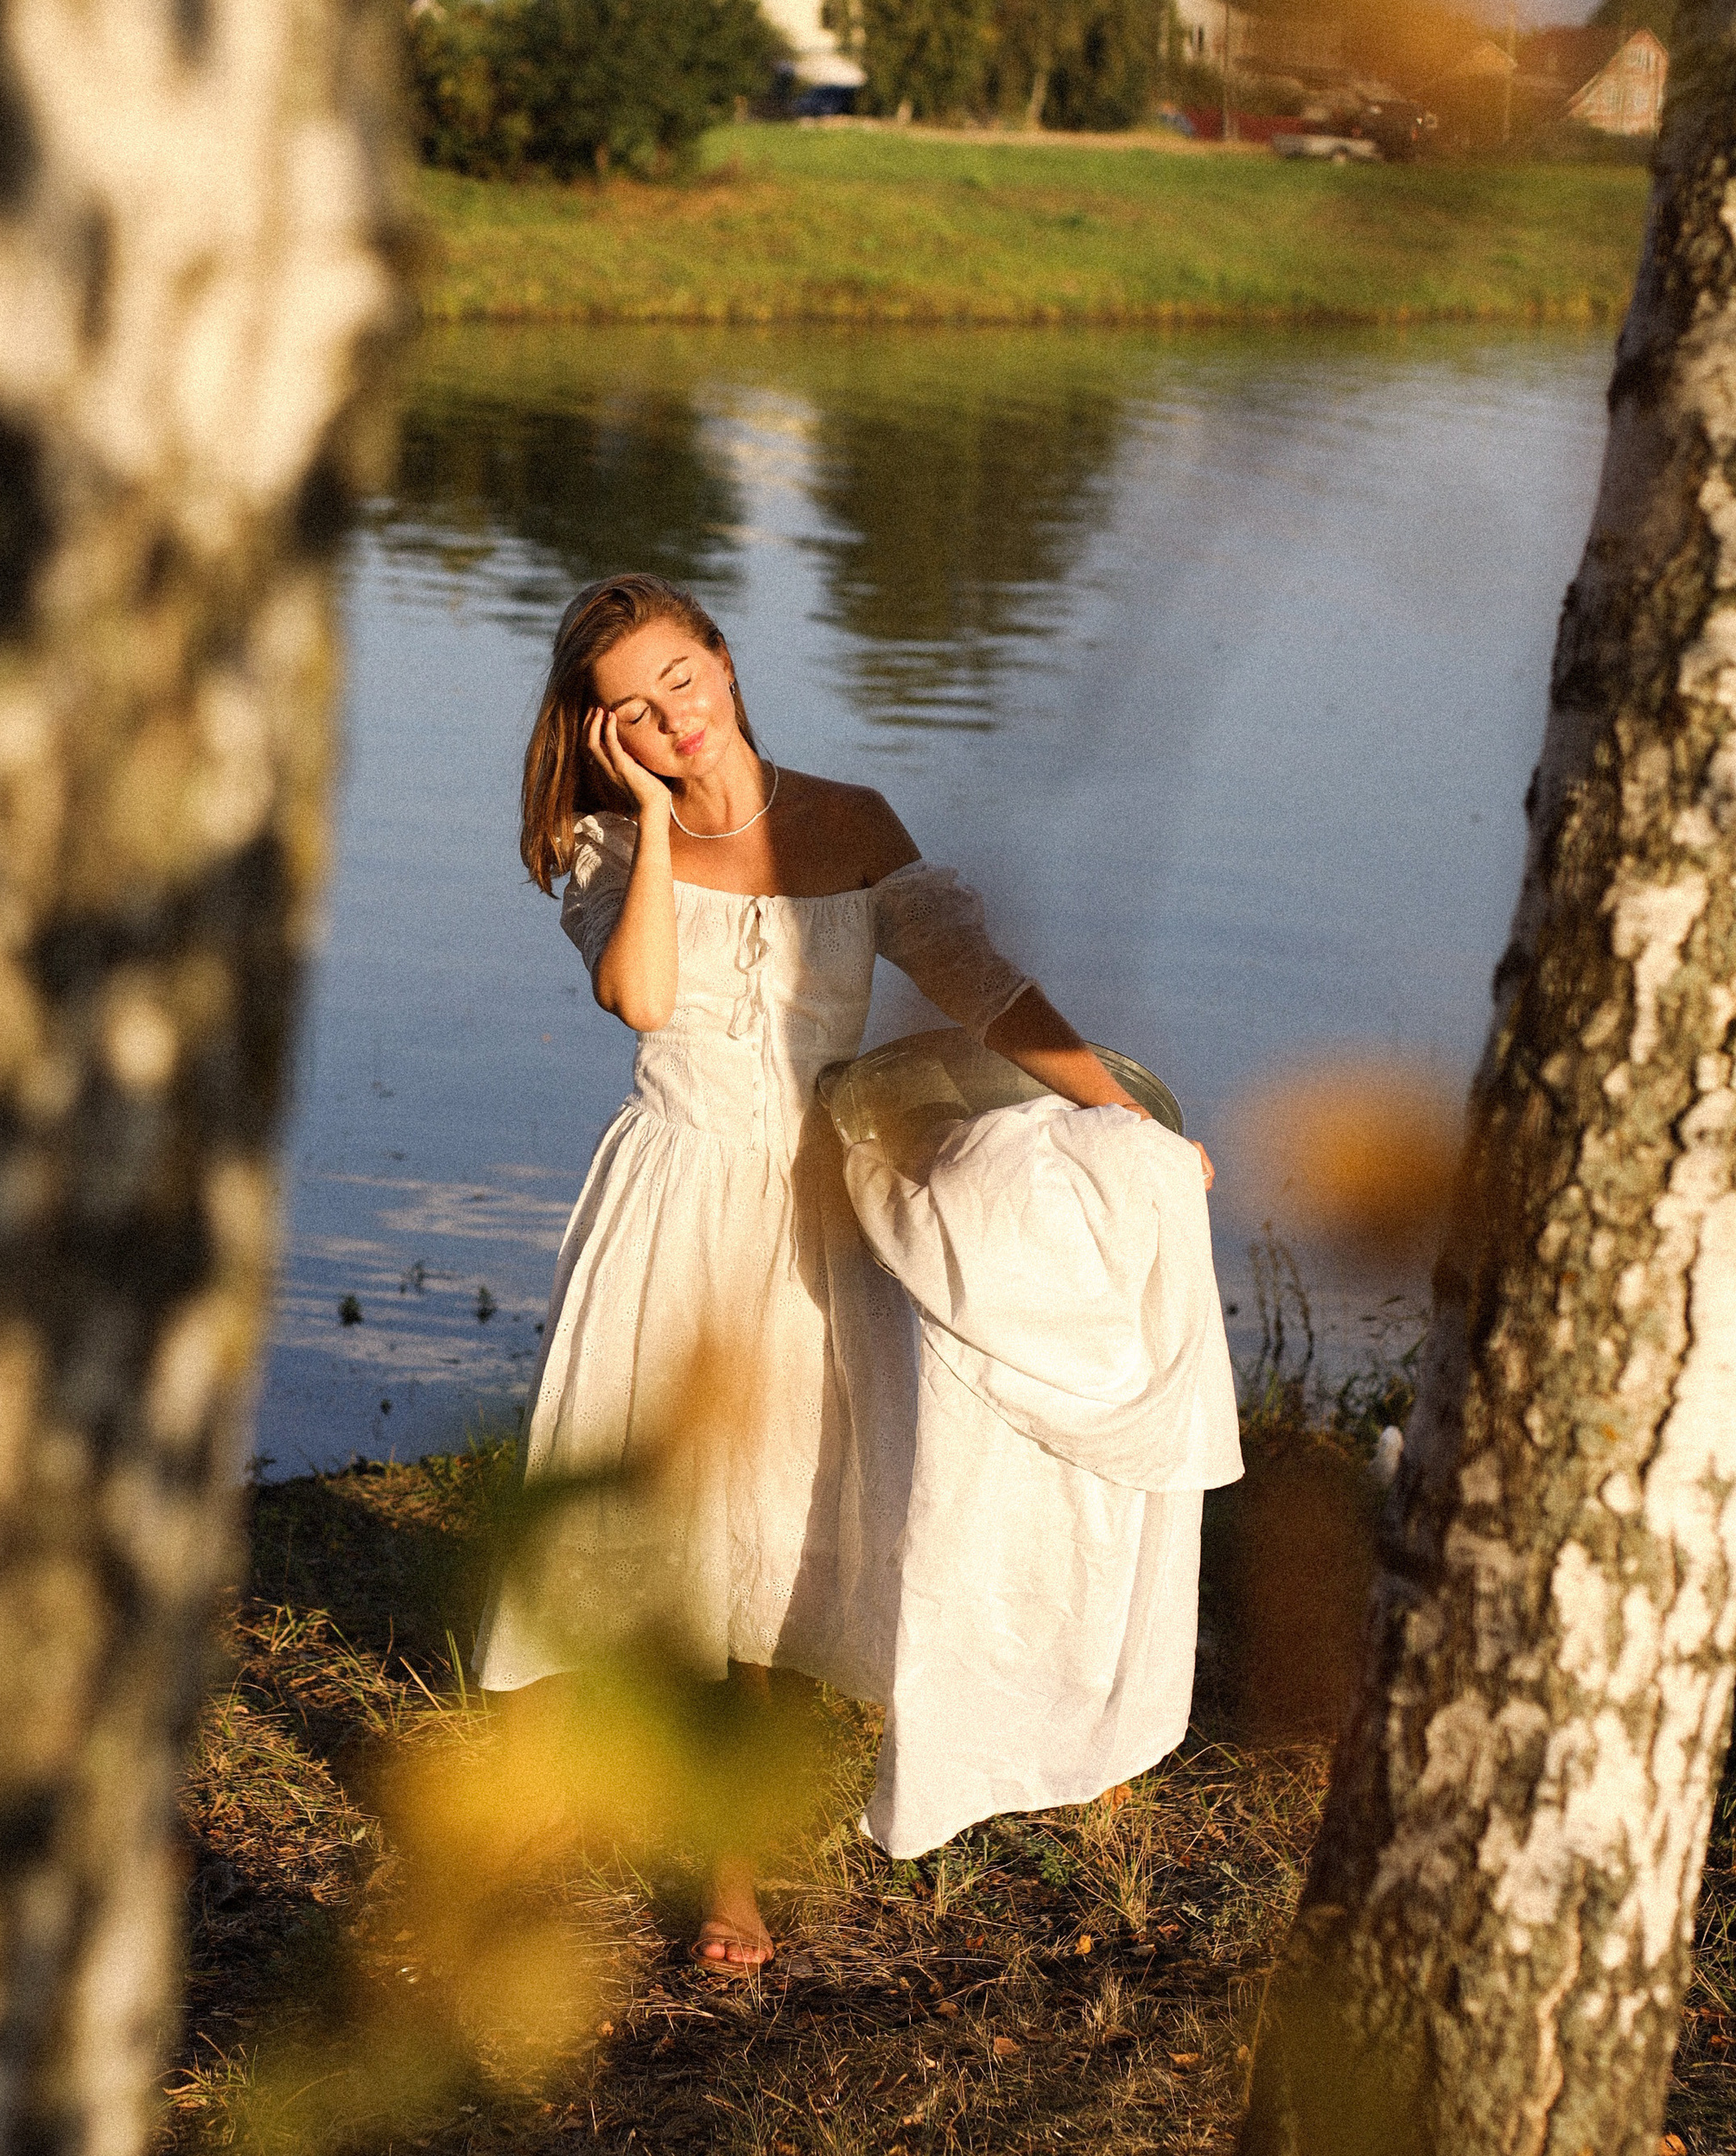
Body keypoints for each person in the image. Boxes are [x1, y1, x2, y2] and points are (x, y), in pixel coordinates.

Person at [474, 573, 1212, 1971]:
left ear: (726, 663)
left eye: (679, 678)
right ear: (600, 731)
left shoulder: (857, 824)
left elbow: (978, 985)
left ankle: (727, 1866)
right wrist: (644, 821)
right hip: (674, 1190)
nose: (667, 716)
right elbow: (639, 1000)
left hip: (813, 1202)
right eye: (628, 705)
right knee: (604, 1512)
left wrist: (1118, 1112)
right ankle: (509, 1822)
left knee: (761, 1535)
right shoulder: (600, 845)